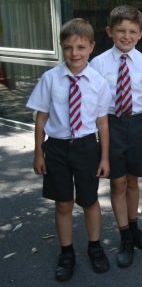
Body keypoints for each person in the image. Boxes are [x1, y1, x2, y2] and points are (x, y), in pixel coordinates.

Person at [26, 18, 112, 282]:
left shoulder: (98, 82)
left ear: (91, 47)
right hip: (57, 149)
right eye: (68, 47)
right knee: (63, 202)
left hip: (87, 147)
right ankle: (66, 252)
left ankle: (95, 246)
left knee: (89, 200)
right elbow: (41, 118)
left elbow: (102, 122)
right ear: (62, 48)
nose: (74, 53)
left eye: (80, 47)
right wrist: (38, 152)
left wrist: (105, 157)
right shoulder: (50, 79)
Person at [90, 5, 142, 268]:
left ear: (140, 33)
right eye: (120, 31)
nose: (126, 36)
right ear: (110, 32)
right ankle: (124, 235)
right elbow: (94, 100)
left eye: (132, 31)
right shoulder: (98, 63)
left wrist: (134, 115)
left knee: (133, 179)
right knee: (117, 183)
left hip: (137, 124)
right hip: (112, 125)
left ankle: (135, 227)